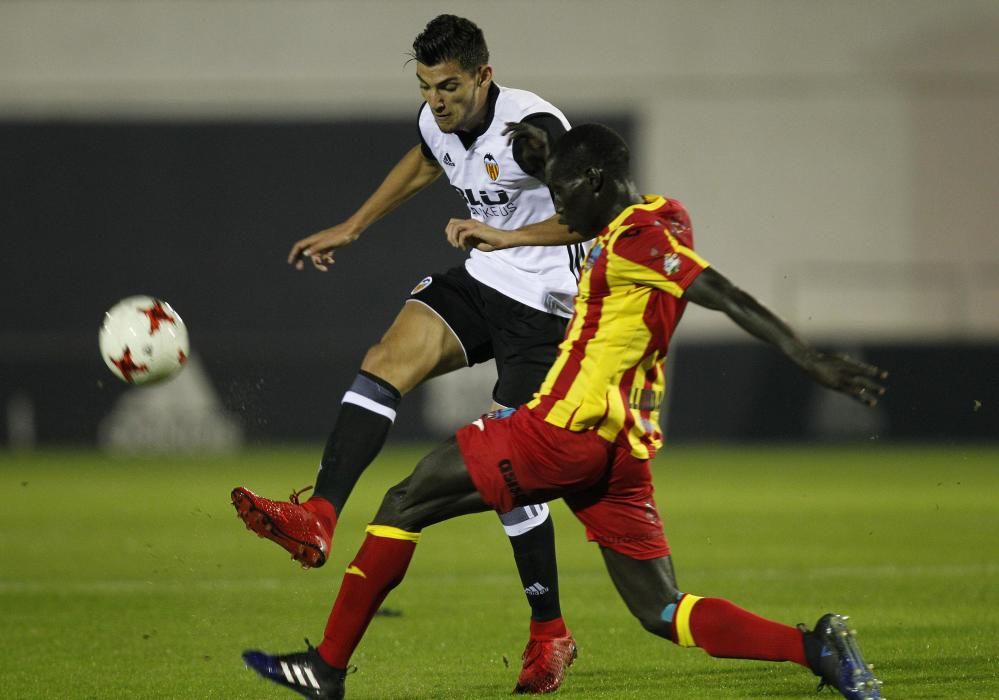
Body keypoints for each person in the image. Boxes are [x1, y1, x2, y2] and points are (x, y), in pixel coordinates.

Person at [240, 122, 888, 700]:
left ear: (599, 182)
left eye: (564, 190)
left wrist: (806, 357)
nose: (558, 206)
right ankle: (816, 650)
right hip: (621, 453)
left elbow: (714, 288)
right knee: (661, 609)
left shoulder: (638, 243)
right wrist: (546, 156)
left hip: (560, 432)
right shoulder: (666, 214)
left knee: (403, 501)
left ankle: (326, 669)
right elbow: (619, 223)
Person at [231, 15, 587, 694]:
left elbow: (592, 211)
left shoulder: (532, 130)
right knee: (385, 358)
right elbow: (426, 156)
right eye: (425, 87)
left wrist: (505, 238)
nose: (437, 100)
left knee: (509, 462)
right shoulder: (437, 119)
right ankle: (321, 515)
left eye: (449, 86)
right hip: (486, 278)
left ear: (483, 75)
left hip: (548, 301)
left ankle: (550, 632)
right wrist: (353, 226)